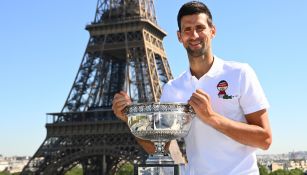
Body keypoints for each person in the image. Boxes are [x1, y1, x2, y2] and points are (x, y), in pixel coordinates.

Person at [112, 1, 272, 174]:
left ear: (213, 31)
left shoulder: (240, 73)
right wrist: (131, 120)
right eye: (187, 30)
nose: (194, 35)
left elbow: (265, 139)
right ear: (179, 37)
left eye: (200, 28)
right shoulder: (172, 88)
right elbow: (160, 149)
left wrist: (211, 117)